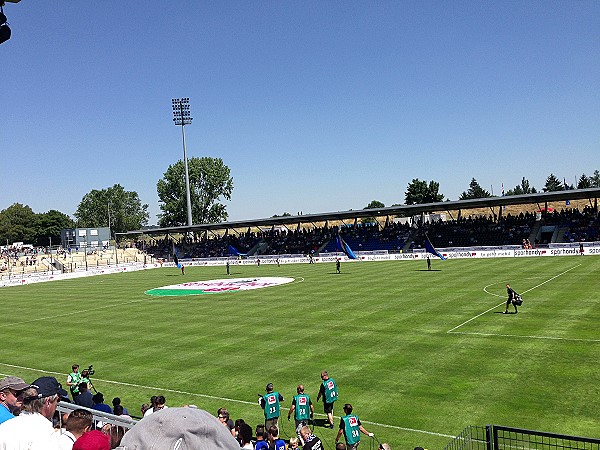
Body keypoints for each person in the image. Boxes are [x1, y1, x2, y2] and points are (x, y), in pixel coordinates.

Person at [0, 376, 67, 449]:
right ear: (48, 402)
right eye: (58, 400)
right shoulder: (46, 434)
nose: (57, 404)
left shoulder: (5, 426)